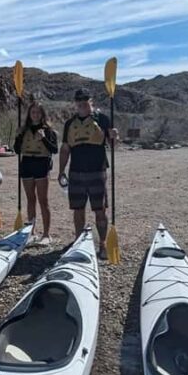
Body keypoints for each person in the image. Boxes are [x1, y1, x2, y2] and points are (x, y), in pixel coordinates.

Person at [58, 88, 118, 260]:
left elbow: (112, 144)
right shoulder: (70, 124)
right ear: (75, 103)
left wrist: (114, 137)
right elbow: (65, 149)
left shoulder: (103, 119)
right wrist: (61, 170)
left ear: (91, 101)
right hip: (76, 171)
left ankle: (103, 244)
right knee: (78, 210)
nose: (82, 103)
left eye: (85, 100)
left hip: (97, 171)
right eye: (79, 100)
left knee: (99, 209)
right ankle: (79, 241)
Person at [14, 102, 58, 245]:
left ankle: (46, 234)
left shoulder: (49, 130)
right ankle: (31, 232)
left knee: (43, 201)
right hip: (27, 164)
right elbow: (16, 149)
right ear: (29, 114)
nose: (35, 114)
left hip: (41, 164)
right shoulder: (23, 129)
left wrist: (43, 139)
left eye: (38, 112)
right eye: (33, 112)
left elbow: (54, 149)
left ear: (42, 114)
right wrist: (19, 136)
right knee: (30, 200)